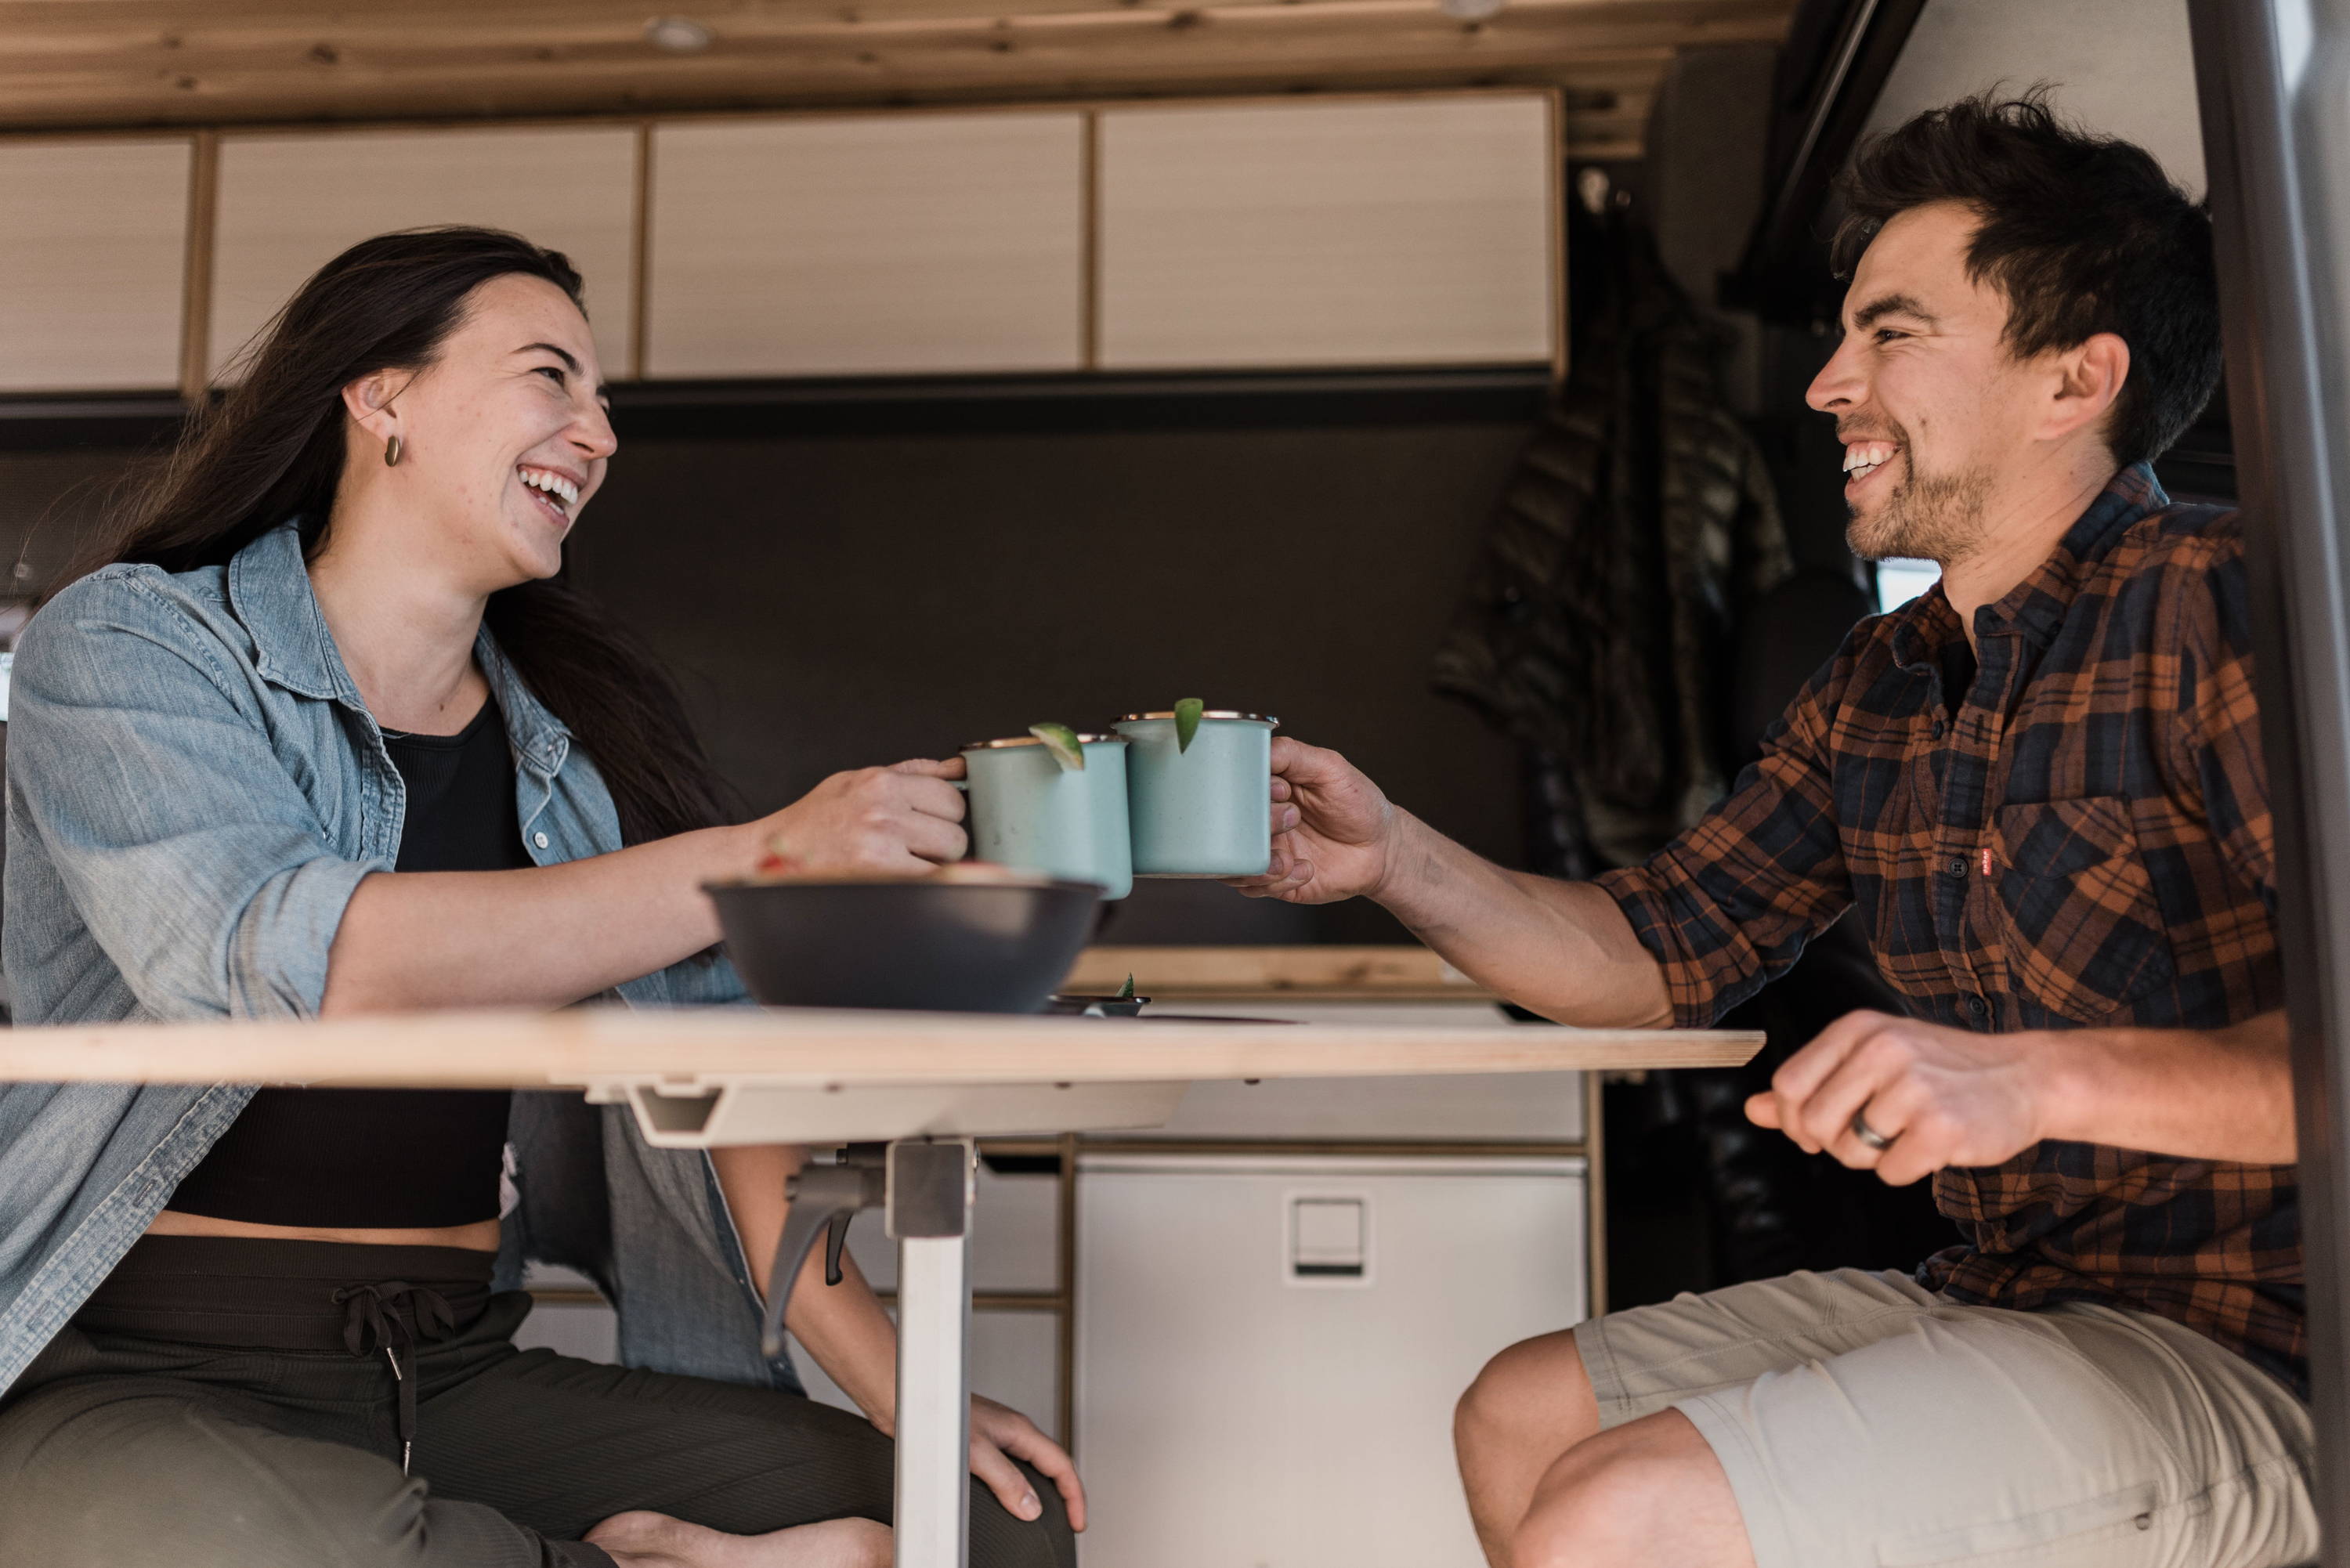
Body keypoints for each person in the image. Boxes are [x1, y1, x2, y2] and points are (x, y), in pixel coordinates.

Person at [1235, 93, 2312, 1568]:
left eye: (1893, 332)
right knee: (1520, 1416)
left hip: (2259, 1359)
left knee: (1620, 1518)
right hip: (2014, 1294)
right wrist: (1393, 857)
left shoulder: (2222, 603)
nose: (1829, 385)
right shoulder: (1880, 686)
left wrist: (2030, 1081)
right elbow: (1652, 950)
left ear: (2077, 379)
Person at [0, 227, 1081, 1568]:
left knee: (983, 1529)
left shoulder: (568, 737)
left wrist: (908, 1394)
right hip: (121, 1372)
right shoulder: (129, 645)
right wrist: (758, 858)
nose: (600, 432)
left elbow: (727, 1079)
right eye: (553, 376)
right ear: (379, 394)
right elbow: (286, 954)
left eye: (605, 400)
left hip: (444, 1369)